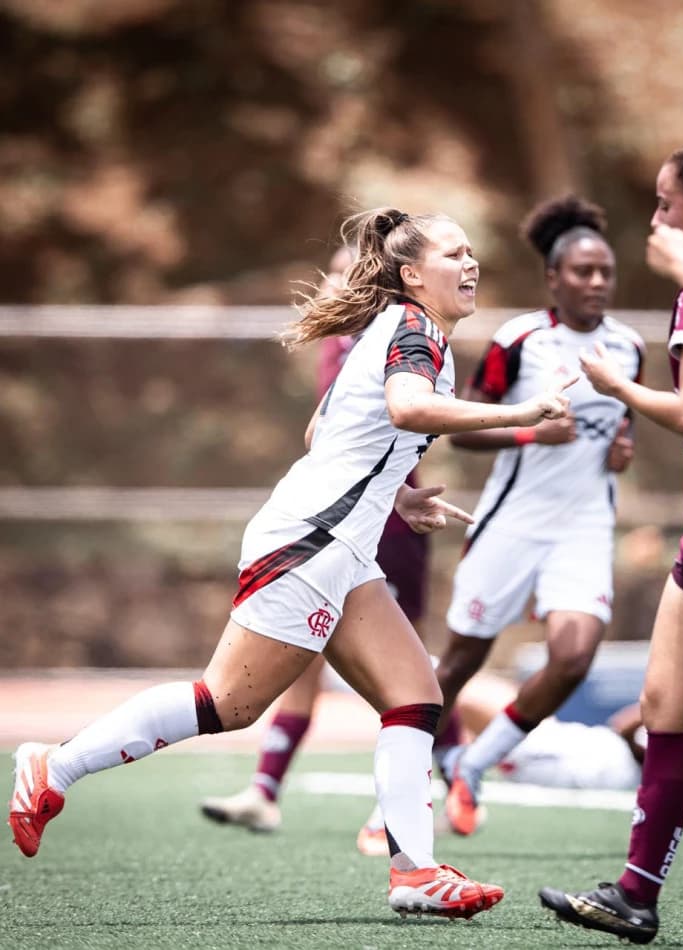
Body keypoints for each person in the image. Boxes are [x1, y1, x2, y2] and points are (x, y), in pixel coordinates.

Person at [10, 206, 575, 921]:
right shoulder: (413, 329)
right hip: (309, 543)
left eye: (472, 254)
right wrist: (519, 415)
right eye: (455, 254)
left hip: (339, 548)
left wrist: (396, 497)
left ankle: (415, 873)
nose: (471, 265)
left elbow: (323, 430)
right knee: (227, 704)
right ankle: (50, 767)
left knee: (416, 697)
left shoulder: (401, 331)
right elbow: (406, 409)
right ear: (410, 274)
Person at [539, 129, 683, 944]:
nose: (656, 217)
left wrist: (612, 383)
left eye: (665, 203)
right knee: (666, 710)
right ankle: (636, 893)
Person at [199, 243, 432, 858]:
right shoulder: (343, 344)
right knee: (286, 678)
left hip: (385, 537)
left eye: (342, 275)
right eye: (329, 272)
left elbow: (399, 424)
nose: (329, 284)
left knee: (412, 681)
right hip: (328, 532)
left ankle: (422, 805)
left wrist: (402, 498)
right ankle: (268, 788)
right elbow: (326, 435)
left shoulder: (400, 338)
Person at [429, 195, 644, 836]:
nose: (597, 282)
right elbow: (461, 430)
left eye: (606, 271)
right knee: (459, 664)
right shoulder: (518, 339)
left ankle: (473, 765)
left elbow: (620, 431)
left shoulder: (629, 347)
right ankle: (407, 780)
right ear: (554, 277)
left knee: (574, 658)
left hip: (583, 528)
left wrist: (621, 454)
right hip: (511, 523)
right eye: (583, 271)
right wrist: (529, 435)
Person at [455, 670, 683, 792]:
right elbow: (620, 724)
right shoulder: (666, 748)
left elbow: (628, 726)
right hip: (553, 741)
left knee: (461, 689)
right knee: (469, 696)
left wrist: (680, 699)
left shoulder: (671, 757)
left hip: (543, 751)